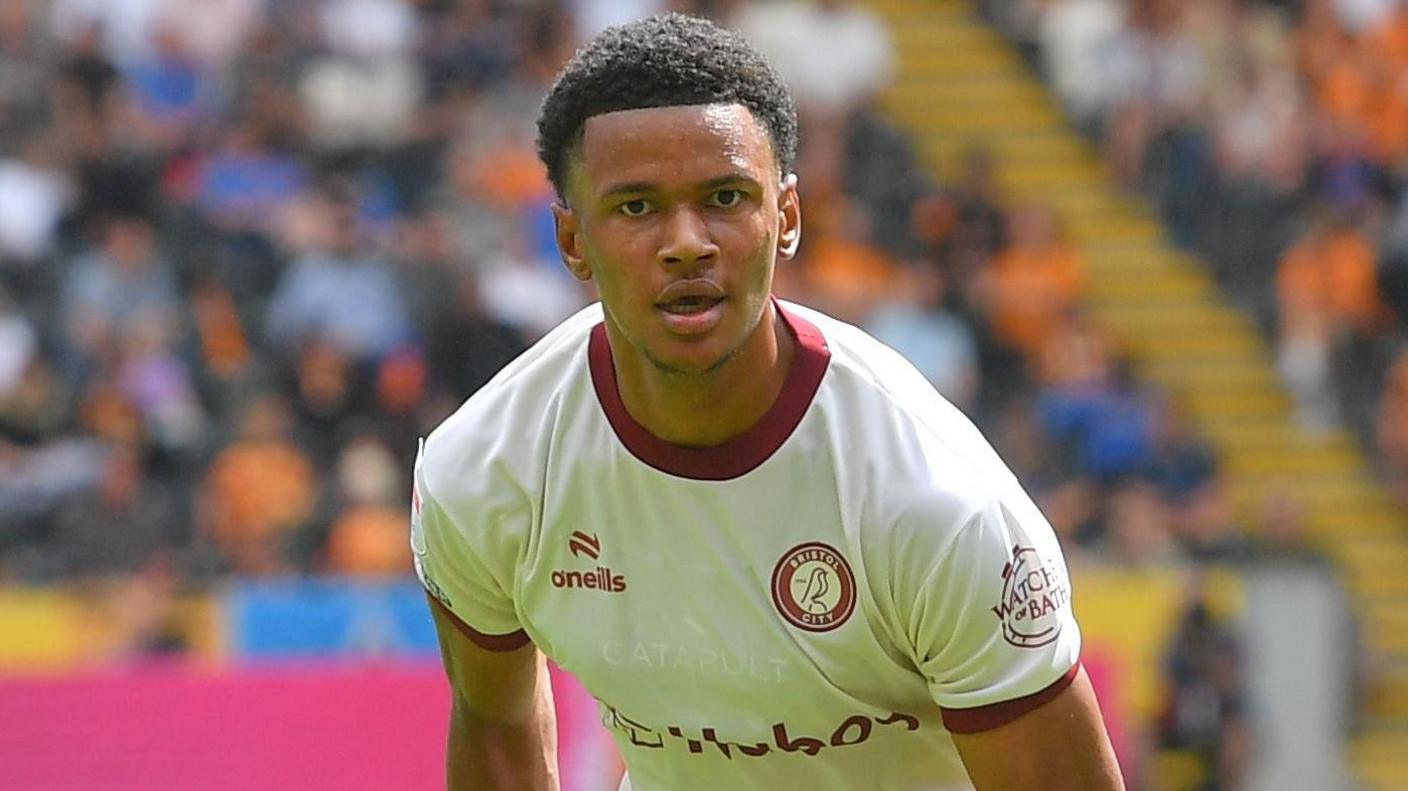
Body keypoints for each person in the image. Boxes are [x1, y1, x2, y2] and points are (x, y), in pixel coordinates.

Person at [411, 13, 1123, 791]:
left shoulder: (936, 503)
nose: (686, 241)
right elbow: (495, 723)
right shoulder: (484, 469)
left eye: (723, 196)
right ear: (573, 240)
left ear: (785, 217)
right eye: (636, 208)